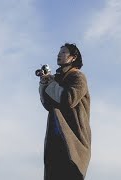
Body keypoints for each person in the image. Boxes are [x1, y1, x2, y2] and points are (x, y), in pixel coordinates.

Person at [38, 43, 91, 180]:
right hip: (54, 141)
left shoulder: (78, 77)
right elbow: (47, 104)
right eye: (59, 52)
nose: (59, 54)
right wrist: (44, 84)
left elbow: (68, 99)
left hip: (72, 142)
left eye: (64, 52)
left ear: (73, 57)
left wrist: (51, 83)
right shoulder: (58, 80)